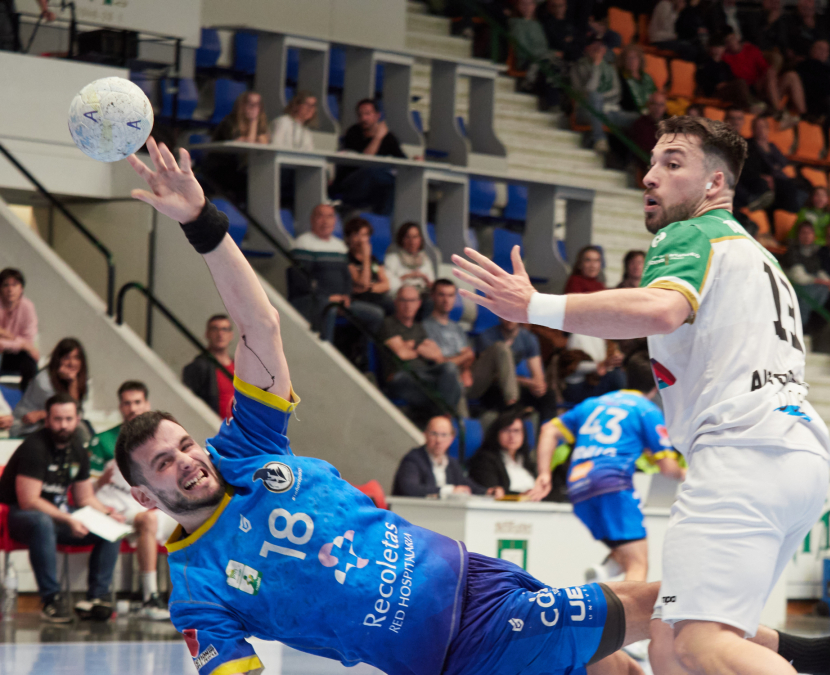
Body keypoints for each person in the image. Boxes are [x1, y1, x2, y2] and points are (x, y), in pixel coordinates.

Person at [113, 137, 656, 675]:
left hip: (477, 575)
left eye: (184, 444)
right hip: (458, 645)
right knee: (665, 609)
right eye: (163, 462)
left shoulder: (246, 448)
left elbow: (261, 325)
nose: (186, 460)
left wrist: (202, 223)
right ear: (143, 496)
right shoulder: (196, 590)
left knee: (618, 670)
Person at [449, 115, 830, 675]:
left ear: (714, 184)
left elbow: (661, 309)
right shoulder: (760, 256)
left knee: (701, 644)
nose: (650, 176)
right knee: (669, 641)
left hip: (741, 452)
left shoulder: (693, 232)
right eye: (652, 162)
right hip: (793, 454)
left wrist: (535, 306)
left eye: (672, 163)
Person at [529, 353, 685, 585]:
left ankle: (602, 575)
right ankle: (623, 608)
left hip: (578, 487)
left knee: (625, 553)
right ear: (656, 384)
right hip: (612, 485)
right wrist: (690, 475)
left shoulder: (592, 404)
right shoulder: (647, 410)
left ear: (626, 376)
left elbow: (548, 430)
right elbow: (669, 469)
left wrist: (544, 474)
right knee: (638, 565)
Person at [0, 393, 122, 622]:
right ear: (47, 420)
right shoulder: (35, 447)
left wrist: (108, 513)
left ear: (77, 420)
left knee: (110, 528)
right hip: (20, 516)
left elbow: (84, 497)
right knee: (42, 522)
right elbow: (29, 501)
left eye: (68, 419)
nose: (63, 425)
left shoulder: (78, 449)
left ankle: (96, 599)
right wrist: (68, 520)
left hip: (58, 514)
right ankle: (51, 600)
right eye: (57, 419)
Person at [87, 381, 177, 620]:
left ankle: (187, 599)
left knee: (191, 522)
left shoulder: (160, 439)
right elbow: (86, 490)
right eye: (127, 403)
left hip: (151, 507)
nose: (133, 408)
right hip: (115, 508)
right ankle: (150, 598)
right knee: (147, 520)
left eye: (138, 402)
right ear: (120, 407)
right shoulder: (103, 440)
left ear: (147, 404)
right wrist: (100, 483)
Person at [289, 204, 386, 342]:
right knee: (330, 308)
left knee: (376, 314)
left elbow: (346, 277)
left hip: (339, 300)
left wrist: (346, 296)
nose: (325, 221)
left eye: (330, 216)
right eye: (320, 216)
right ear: (312, 219)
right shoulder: (303, 243)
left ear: (335, 221)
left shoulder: (339, 246)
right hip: (312, 299)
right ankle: (325, 349)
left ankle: (360, 352)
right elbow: (301, 280)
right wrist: (328, 298)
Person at [381, 285, 462, 421]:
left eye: (412, 300)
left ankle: (439, 418)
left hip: (424, 374)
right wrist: (420, 348)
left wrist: (411, 345)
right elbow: (402, 354)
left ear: (418, 303)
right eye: (403, 300)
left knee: (450, 368)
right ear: (396, 302)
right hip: (401, 376)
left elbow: (437, 356)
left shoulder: (420, 328)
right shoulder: (389, 323)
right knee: (449, 387)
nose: (408, 305)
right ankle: (443, 420)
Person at [392, 416, 501, 498]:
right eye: (434, 434)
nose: (439, 440)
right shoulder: (414, 459)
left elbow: (466, 484)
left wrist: (487, 492)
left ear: (451, 438)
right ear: (425, 434)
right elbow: (409, 488)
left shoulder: (451, 462)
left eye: (444, 435)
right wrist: (449, 490)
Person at [475, 319, 554, 424]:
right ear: (500, 316)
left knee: (548, 395)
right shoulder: (487, 337)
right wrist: (527, 382)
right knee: (500, 391)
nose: (510, 319)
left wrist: (539, 386)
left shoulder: (528, 338)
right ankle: (510, 426)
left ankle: (548, 430)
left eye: (513, 315)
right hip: (494, 385)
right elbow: (492, 376)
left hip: (518, 385)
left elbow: (538, 373)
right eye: (506, 315)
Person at [333, 99, 405, 215]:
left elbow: (402, 161)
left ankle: (382, 221)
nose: (363, 118)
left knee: (392, 186)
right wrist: (377, 138)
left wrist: (415, 160)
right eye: (360, 115)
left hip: (377, 185)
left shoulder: (388, 137)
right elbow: (365, 160)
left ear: (377, 115)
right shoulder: (353, 132)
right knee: (373, 172)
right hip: (351, 184)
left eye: (367, 114)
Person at [571, 38, 639, 154]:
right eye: (594, 47)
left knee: (639, 119)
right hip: (586, 110)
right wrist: (596, 67)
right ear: (587, 48)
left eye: (600, 47)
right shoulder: (578, 67)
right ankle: (599, 139)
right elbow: (586, 91)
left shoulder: (610, 68)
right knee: (594, 95)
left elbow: (616, 92)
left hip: (610, 111)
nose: (597, 50)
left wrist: (600, 98)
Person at [12, 337, 89, 438]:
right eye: (66, 358)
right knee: (80, 430)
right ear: (58, 360)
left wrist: (73, 382)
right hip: (27, 427)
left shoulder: (79, 380)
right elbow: (63, 411)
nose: (72, 363)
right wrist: (72, 382)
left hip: (54, 424)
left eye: (76, 358)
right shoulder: (44, 380)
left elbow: (75, 413)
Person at [469, 409, 539, 495]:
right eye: (506, 430)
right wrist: (522, 496)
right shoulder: (484, 460)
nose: (512, 436)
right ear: (496, 433)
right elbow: (492, 493)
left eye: (516, 431)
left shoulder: (526, 461)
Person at [782, 221, 830, 325]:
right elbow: (798, 277)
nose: (807, 236)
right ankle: (800, 325)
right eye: (803, 233)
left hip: (810, 285)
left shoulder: (814, 252)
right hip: (792, 285)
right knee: (808, 292)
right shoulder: (792, 251)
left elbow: (819, 271)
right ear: (798, 235)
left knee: (824, 289)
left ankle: (812, 321)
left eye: (810, 233)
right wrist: (822, 282)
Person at [182, 315, 236, 420]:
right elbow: (189, 405)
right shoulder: (198, 367)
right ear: (207, 334)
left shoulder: (238, 366)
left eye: (224, 329)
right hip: (213, 426)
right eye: (215, 329)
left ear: (231, 335)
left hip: (240, 427)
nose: (220, 334)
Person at [0, 267, 38, 391]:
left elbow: (28, 341)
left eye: (14, 285)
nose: (10, 289)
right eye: (6, 285)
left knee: (30, 362)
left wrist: (7, 338)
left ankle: (27, 398)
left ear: (21, 288)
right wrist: (16, 340)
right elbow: (24, 343)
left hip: (16, 353)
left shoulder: (28, 307)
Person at [509, 0, 560, 93]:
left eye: (530, 4)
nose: (527, 7)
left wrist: (550, 54)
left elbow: (543, 46)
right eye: (523, 4)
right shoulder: (516, 24)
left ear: (534, 6)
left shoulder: (537, 24)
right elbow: (522, 50)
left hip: (543, 59)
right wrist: (550, 53)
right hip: (528, 61)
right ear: (518, 6)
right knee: (550, 70)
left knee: (558, 68)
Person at [344, 216, 391, 316]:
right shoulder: (347, 259)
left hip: (375, 296)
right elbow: (363, 283)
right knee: (381, 311)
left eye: (364, 235)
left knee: (396, 305)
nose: (361, 240)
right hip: (359, 300)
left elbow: (386, 284)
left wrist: (370, 289)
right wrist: (366, 257)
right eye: (356, 235)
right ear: (348, 238)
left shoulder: (373, 258)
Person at [383, 221, 438, 297]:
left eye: (415, 237)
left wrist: (426, 279)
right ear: (401, 239)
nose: (412, 241)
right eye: (408, 237)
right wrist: (407, 276)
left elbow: (432, 284)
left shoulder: (425, 259)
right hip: (400, 297)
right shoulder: (392, 258)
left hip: (422, 295)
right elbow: (387, 285)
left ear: (420, 239)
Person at [695, 39, 753, 110]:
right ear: (710, 48)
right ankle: (748, 107)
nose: (718, 50)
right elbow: (701, 81)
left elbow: (731, 79)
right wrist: (716, 86)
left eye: (720, 47)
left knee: (741, 83)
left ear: (724, 48)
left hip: (726, 90)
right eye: (715, 47)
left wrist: (726, 84)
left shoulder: (725, 65)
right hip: (713, 93)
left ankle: (747, 107)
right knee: (740, 84)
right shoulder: (705, 64)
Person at [618, 45, 658, 116]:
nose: (632, 61)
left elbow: (656, 95)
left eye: (635, 58)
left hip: (652, 112)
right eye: (628, 58)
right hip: (633, 114)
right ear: (623, 61)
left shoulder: (647, 77)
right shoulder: (621, 79)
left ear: (640, 60)